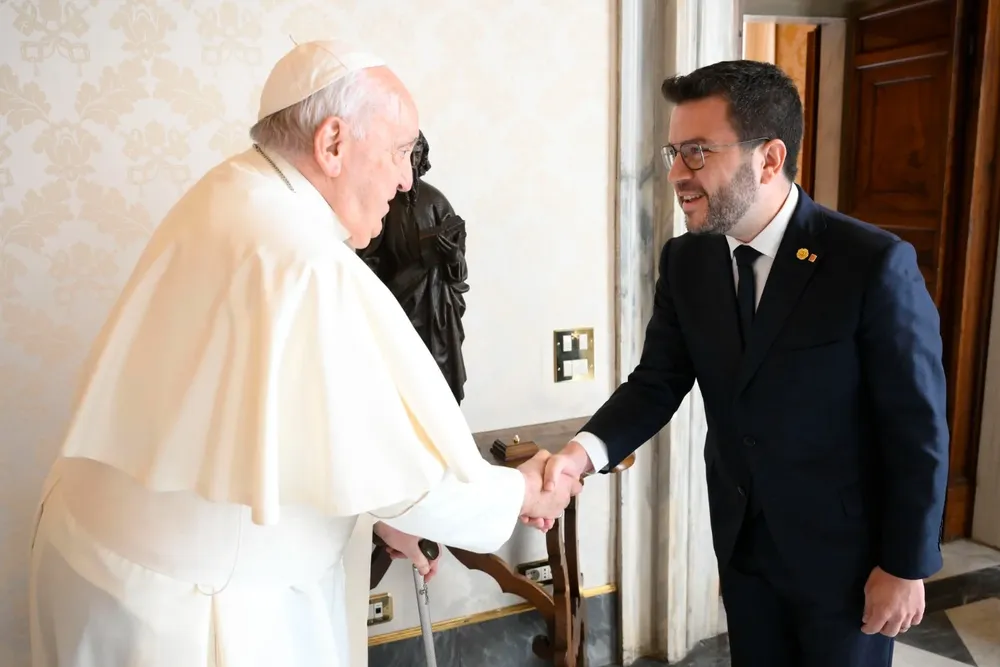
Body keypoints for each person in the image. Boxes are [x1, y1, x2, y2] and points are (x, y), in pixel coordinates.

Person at [27, 40, 578, 667]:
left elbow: (276, 418)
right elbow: (409, 474)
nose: (406, 179)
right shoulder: (305, 260)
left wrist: (378, 514)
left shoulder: (232, 191)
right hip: (197, 610)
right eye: (401, 151)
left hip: (106, 563)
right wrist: (519, 494)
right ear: (333, 143)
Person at [528, 60, 950, 667]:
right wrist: (577, 457)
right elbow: (658, 382)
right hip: (743, 544)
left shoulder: (871, 264)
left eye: (697, 152)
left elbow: (916, 428)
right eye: (674, 151)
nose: (676, 173)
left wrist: (906, 564)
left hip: (848, 561)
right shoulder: (686, 262)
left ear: (769, 159)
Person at [358, 130, 471, 404]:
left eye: (417, 155)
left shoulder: (437, 202)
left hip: (436, 315)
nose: (412, 162)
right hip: (399, 310)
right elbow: (366, 260)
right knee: (401, 388)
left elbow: (459, 271)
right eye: (406, 154)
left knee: (440, 388)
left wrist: (452, 256)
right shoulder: (384, 205)